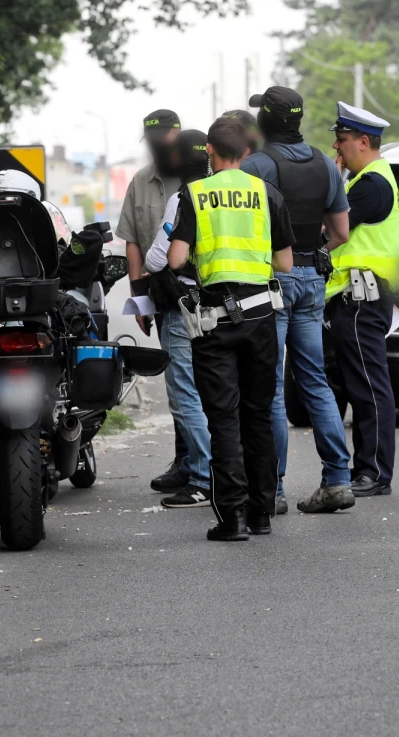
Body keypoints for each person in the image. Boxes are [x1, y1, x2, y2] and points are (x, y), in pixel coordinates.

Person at [167, 117, 295, 541]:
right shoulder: (267, 193)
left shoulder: (195, 194)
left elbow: (174, 259)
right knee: (258, 414)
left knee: (223, 418)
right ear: (245, 152)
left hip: (215, 320)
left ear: (209, 152)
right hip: (261, 316)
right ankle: (262, 514)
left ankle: (233, 518)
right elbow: (285, 264)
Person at [240, 86, 355, 515]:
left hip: (271, 283)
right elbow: (341, 233)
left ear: (266, 121)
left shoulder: (256, 166)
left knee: (269, 385)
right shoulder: (326, 165)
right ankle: (338, 480)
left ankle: (273, 489)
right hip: (311, 279)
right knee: (314, 380)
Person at [327, 101, 399, 497]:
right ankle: (363, 469)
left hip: (361, 297)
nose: (337, 151)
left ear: (364, 141)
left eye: (342, 142)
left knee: (369, 387)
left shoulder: (372, 184)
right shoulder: (363, 181)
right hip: (351, 296)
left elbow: (334, 228)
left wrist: (330, 181)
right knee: (356, 384)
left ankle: (373, 473)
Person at [116, 108, 189, 494]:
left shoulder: (199, 178)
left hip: (199, 295)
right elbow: (132, 240)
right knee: (177, 381)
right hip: (159, 297)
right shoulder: (140, 182)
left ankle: (208, 461)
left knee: (202, 382)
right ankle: (185, 461)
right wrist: (139, 299)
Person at [143, 129, 213, 509]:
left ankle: (203, 477)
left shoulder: (183, 198)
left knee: (185, 395)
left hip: (184, 307)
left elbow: (159, 259)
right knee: (214, 394)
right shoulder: (228, 194)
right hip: (225, 306)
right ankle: (223, 471)